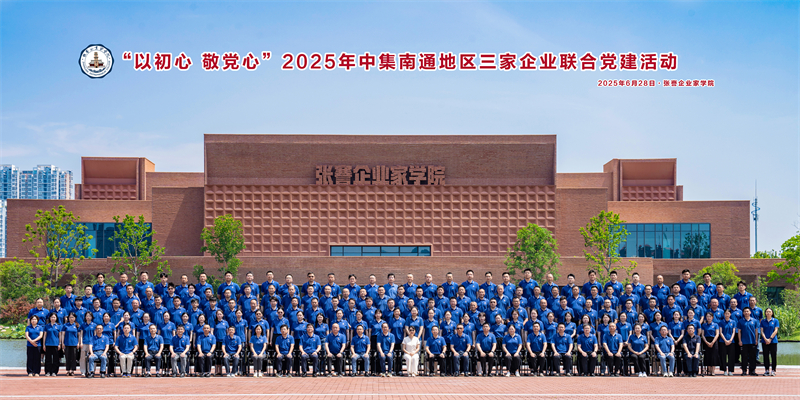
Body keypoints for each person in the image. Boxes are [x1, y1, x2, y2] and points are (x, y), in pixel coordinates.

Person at [738, 307, 759, 376]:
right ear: (743, 313)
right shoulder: (740, 321)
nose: (746, 312)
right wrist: (740, 340)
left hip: (752, 341)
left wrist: (756, 340)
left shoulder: (754, 321)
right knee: (744, 357)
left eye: (747, 311)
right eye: (745, 311)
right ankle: (744, 371)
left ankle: (752, 371)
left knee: (753, 357)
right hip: (744, 342)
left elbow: (756, 331)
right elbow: (739, 332)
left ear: (750, 312)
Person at [760, 307, 779, 376]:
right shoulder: (763, 321)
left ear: (772, 313)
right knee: (766, 356)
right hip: (764, 341)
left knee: (773, 356)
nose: (768, 313)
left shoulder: (775, 321)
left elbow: (776, 330)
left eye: (769, 312)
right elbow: (762, 331)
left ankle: (773, 370)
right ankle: (766, 370)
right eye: (767, 312)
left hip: (773, 341)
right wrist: (765, 339)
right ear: (765, 313)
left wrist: (770, 339)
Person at [718, 308, 737, 376]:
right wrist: (725, 340)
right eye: (726, 313)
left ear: (730, 314)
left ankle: (730, 370)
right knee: (723, 356)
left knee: (731, 356)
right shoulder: (721, 322)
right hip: (722, 341)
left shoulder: (733, 322)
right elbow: (720, 332)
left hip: (731, 341)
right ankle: (724, 370)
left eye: (728, 313)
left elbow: (733, 332)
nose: (727, 315)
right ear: (724, 314)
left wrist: (730, 340)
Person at [42, 312, 62, 376]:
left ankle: (54, 372)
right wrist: (44, 344)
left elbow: (60, 335)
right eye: (52, 317)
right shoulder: (46, 326)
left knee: (56, 359)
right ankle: (48, 371)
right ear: (50, 318)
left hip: (56, 344)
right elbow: (45, 335)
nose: (53, 318)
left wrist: (60, 344)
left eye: (54, 317)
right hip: (48, 344)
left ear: (56, 318)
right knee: (48, 359)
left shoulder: (59, 326)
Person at [700, 312, 720, 376]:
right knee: (707, 355)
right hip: (706, 340)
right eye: (707, 316)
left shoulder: (715, 325)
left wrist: (712, 342)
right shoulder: (704, 325)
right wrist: (706, 342)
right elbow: (702, 335)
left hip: (714, 340)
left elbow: (717, 334)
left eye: (710, 316)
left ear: (712, 317)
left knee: (713, 356)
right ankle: (708, 370)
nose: (708, 318)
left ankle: (713, 371)